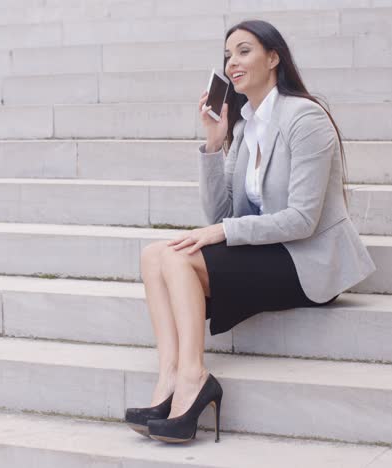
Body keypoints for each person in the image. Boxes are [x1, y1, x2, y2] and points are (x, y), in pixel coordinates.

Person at [125, 19, 377, 444]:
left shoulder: (305, 118)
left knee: (175, 255)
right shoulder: (243, 126)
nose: (233, 62)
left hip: (307, 258)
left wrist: (222, 232)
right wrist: (213, 141)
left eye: (244, 51)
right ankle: (169, 377)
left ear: (273, 57)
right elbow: (221, 210)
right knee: (154, 255)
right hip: (267, 249)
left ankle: (193, 377)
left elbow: (302, 220)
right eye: (228, 56)